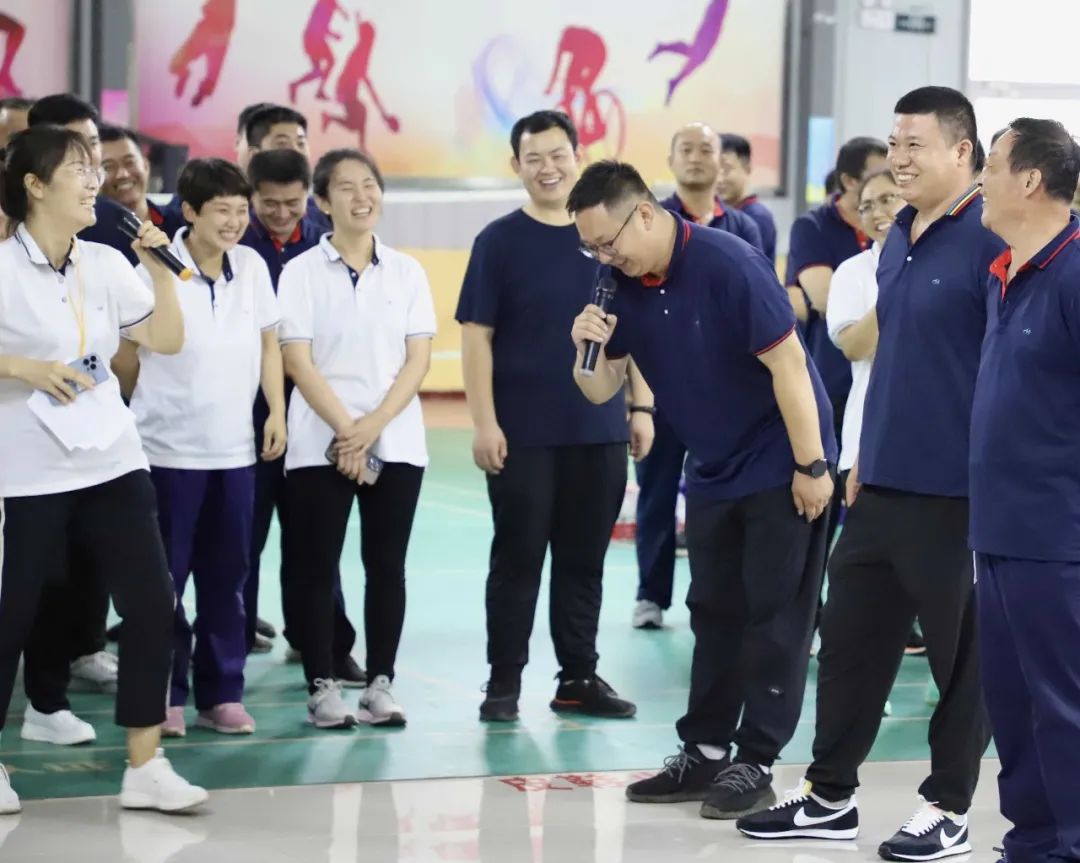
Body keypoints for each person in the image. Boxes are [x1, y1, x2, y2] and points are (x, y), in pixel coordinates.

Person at [738, 86, 1003, 861]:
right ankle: (829, 798)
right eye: (894, 143)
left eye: (915, 144)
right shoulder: (901, 237)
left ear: (962, 150)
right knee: (851, 643)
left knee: (964, 662)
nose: (898, 159)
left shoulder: (993, 235)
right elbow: (889, 366)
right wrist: (865, 457)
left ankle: (948, 807)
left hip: (960, 495)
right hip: (880, 482)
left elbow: (1007, 368)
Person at [569, 159, 836, 819]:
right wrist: (585, 348)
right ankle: (706, 751)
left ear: (646, 214)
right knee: (713, 609)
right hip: (713, 463)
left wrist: (811, 466)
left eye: (608, 243)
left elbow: (789, 364)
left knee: (775, 614)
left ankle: (757, 759)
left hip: (779, 457)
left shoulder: (730, 264)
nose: (604, 258)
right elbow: (598, 389)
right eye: (592, 248)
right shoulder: (617, 283)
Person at [0, 124, 207, 813]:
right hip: (28, 470)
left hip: (113, 458)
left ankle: (145, 766)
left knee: (151, 603)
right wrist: (22, 367)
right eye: (79, 170)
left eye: (96, 169)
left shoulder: (106, 262)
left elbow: (167, 338)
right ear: (34, 185)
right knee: (11, 616)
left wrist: (157, 267)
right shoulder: (3, 269)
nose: (97, 181)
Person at [456, 111, 641, 724]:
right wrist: (485, 422)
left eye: (558, 154)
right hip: (523, 434)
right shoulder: (498, 242)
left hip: (599, 430)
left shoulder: (606, 239)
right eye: (533, 158)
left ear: (578, 155)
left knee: (585, 562)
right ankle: (503, 681)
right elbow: (476, 337)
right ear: (516, 166)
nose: (548, 168)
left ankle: (578, 678)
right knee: (518, 559)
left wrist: (640, 406)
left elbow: (633, 328)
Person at [118, 158, 286, 737]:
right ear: (189, 211)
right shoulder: (153, 268)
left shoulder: (253, 267)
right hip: (166, 453)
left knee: (226, 581)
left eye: (241, 211)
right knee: (163, 584)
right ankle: (164, 695)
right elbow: (127, 355)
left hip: (234, 453)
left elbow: (270, 344)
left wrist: (276, 411)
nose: (235, 222)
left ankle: (222, 694)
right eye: (222, 211)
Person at [278, 149, 433, 729]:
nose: (361, 196)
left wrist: (372, 427)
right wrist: (348, 431)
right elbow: (298, 359)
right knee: (317, 567)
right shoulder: (299, 272)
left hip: (396, 442)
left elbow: (417, 360)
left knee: (386, 567)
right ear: (322, 202)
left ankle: (379, 684)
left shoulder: (407, 272)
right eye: (345, 187)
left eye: (370, 184)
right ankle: (322, 686)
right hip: (319, 442)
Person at [973, 118, 1080, 863]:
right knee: (1013, 706)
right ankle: (1035, 842)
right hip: (1000, 530)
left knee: (1065, 707)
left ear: (1031, 180)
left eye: (990, 164)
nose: (981, 179)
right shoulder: (1003, 274)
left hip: (1059, 535)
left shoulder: (1074, 273)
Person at [632, 121, 764, 630]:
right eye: (684, 148)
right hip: (666, 390)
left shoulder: (743, 227)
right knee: (657, 493)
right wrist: (642, 403)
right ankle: (651, 594)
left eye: (705, 149)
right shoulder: (651, 223)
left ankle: (720, 595)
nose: (695, 157)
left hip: (725, 397)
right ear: (670, 160)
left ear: (721, 161)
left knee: (726, 497)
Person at [240, 148, 363, 682]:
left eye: (292, 203)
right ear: (251, 196)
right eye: (270, 203)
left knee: (317, 542)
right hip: (248, 420)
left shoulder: (327, 243)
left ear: (309, 198)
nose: (282, 213)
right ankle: (232, 642)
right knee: (241, 542)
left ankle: (327, 647)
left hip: (314, 415)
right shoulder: (236, 246)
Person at [25, 93, 122, 696]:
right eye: (74, 149)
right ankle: (40, 681)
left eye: (93, 147)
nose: (90, 162)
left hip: (91, 420)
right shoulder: (12, 239)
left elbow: (146, 330)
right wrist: (24, 368)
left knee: (90, 549)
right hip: (22, 427)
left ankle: (81, 651)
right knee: (31, 564)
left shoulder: (105, 225)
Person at [786, 136, 886, 559]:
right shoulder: (816, 230)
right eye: (871, 201)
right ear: (849, 182)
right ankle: (809, 597)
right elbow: (826, 304)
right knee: (822, 515)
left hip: (897, 406)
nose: (880, 210)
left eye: (891, 197)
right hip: (832, 388)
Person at [825, 168, 903, 500]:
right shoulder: (852, 272)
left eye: (888, 199)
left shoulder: (944, 262)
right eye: (866, 206)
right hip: (866, 440)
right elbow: (855, 347)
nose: (877, 213)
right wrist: (900, 277)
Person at [82, 125, 185, 264]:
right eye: (108, 167)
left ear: (146, 166)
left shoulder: (179, 224)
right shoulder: (86, 238)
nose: (123, 174)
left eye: (129, 162)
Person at [718, 132, 778, 263]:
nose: (719, 179)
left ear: (748, 168)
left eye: (726, 169)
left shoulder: (757, 217)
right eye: (715, 170)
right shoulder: (719, 214)